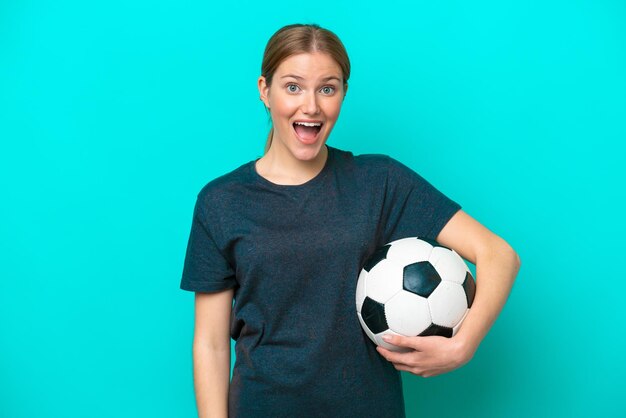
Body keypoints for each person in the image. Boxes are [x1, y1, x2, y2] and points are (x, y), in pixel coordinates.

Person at [180, 23, 521, 418]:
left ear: (342, 94)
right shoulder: (221, 201)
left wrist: (463, 346)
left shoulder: (379, 181)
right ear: (264, 90)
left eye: (328, 88)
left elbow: (498, 254)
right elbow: (210, 343)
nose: (311, 106)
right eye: (293, 86)